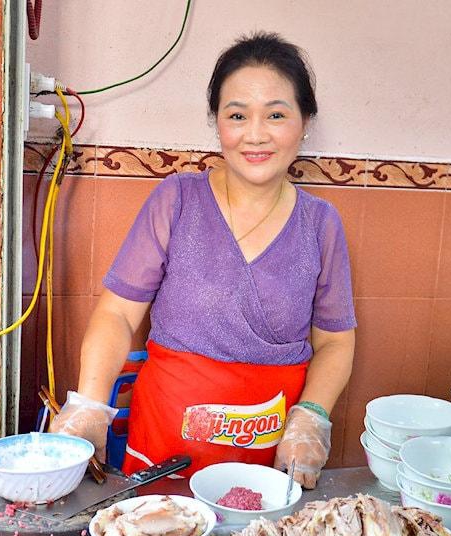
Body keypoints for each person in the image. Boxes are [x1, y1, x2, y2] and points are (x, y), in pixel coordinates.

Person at [51, 32, 356, 489]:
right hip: (164, 448)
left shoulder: (321, 224)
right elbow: (116, 312)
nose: (255, 134)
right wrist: (90, 405)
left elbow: (335, 343)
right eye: (237, 115)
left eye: (276, 114)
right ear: (217, 122)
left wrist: (311, 418)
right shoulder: (176, 199)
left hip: (266, 456)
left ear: (305, 121)